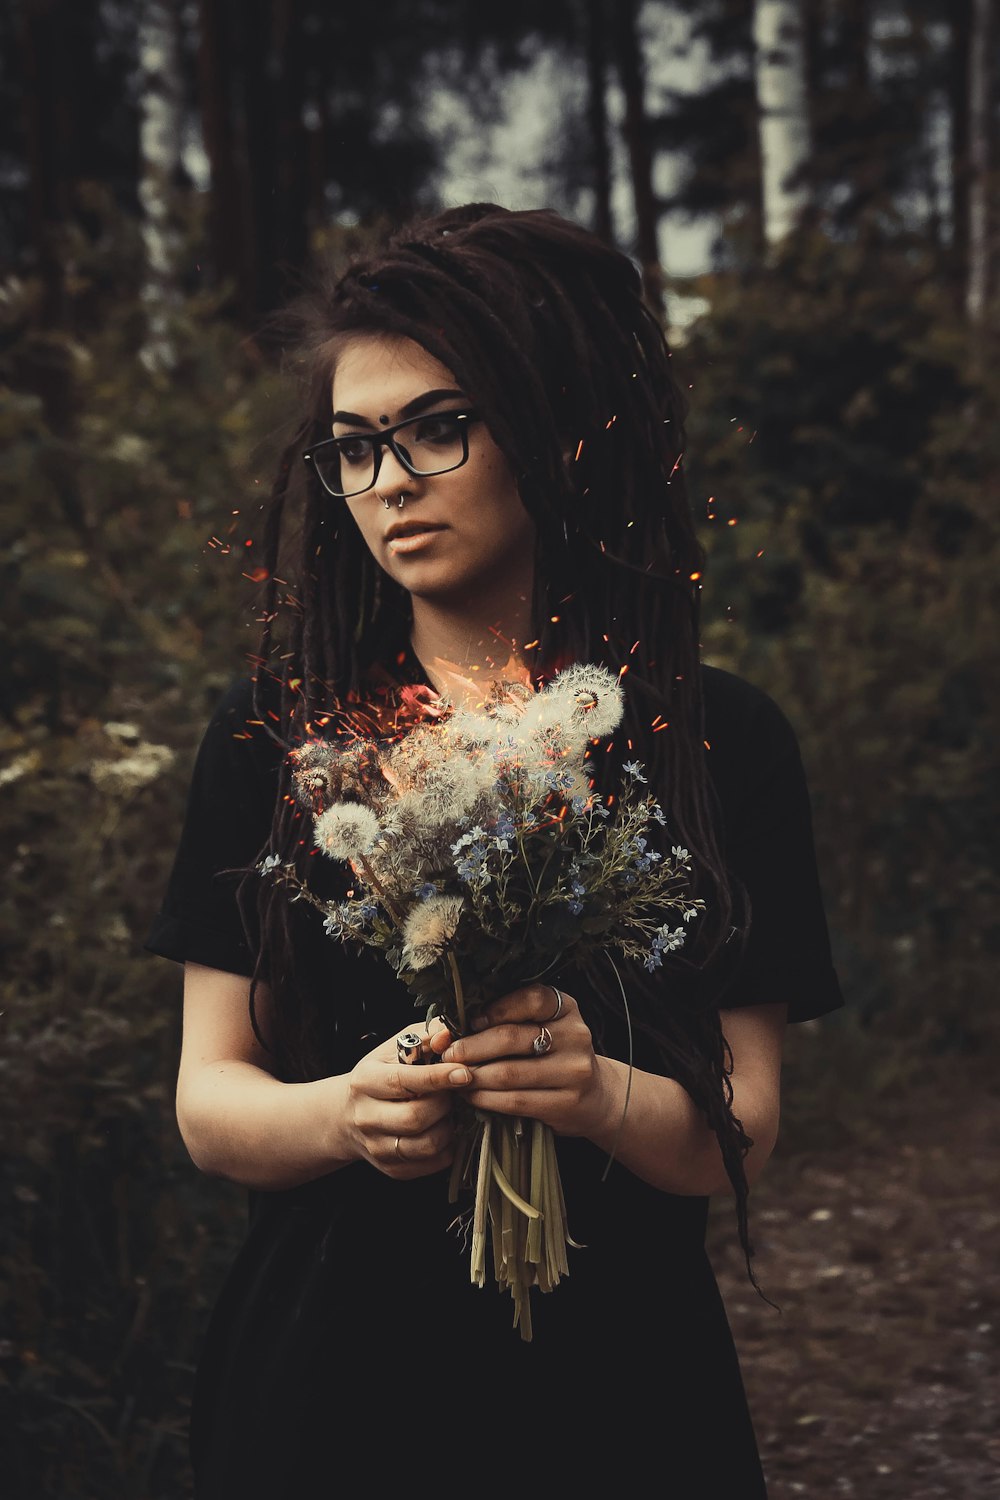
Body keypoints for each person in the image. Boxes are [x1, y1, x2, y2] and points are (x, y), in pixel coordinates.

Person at [147, 204, 843, 1498]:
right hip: (326, 1401)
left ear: (553, 424)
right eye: (354, 448)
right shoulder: (272, 745)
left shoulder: (718, 741)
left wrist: (595, 1093)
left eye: (436, 426)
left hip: (620, 1400)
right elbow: (210, 1102)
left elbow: (742, 1123)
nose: (391, 480)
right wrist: (342, 1115)